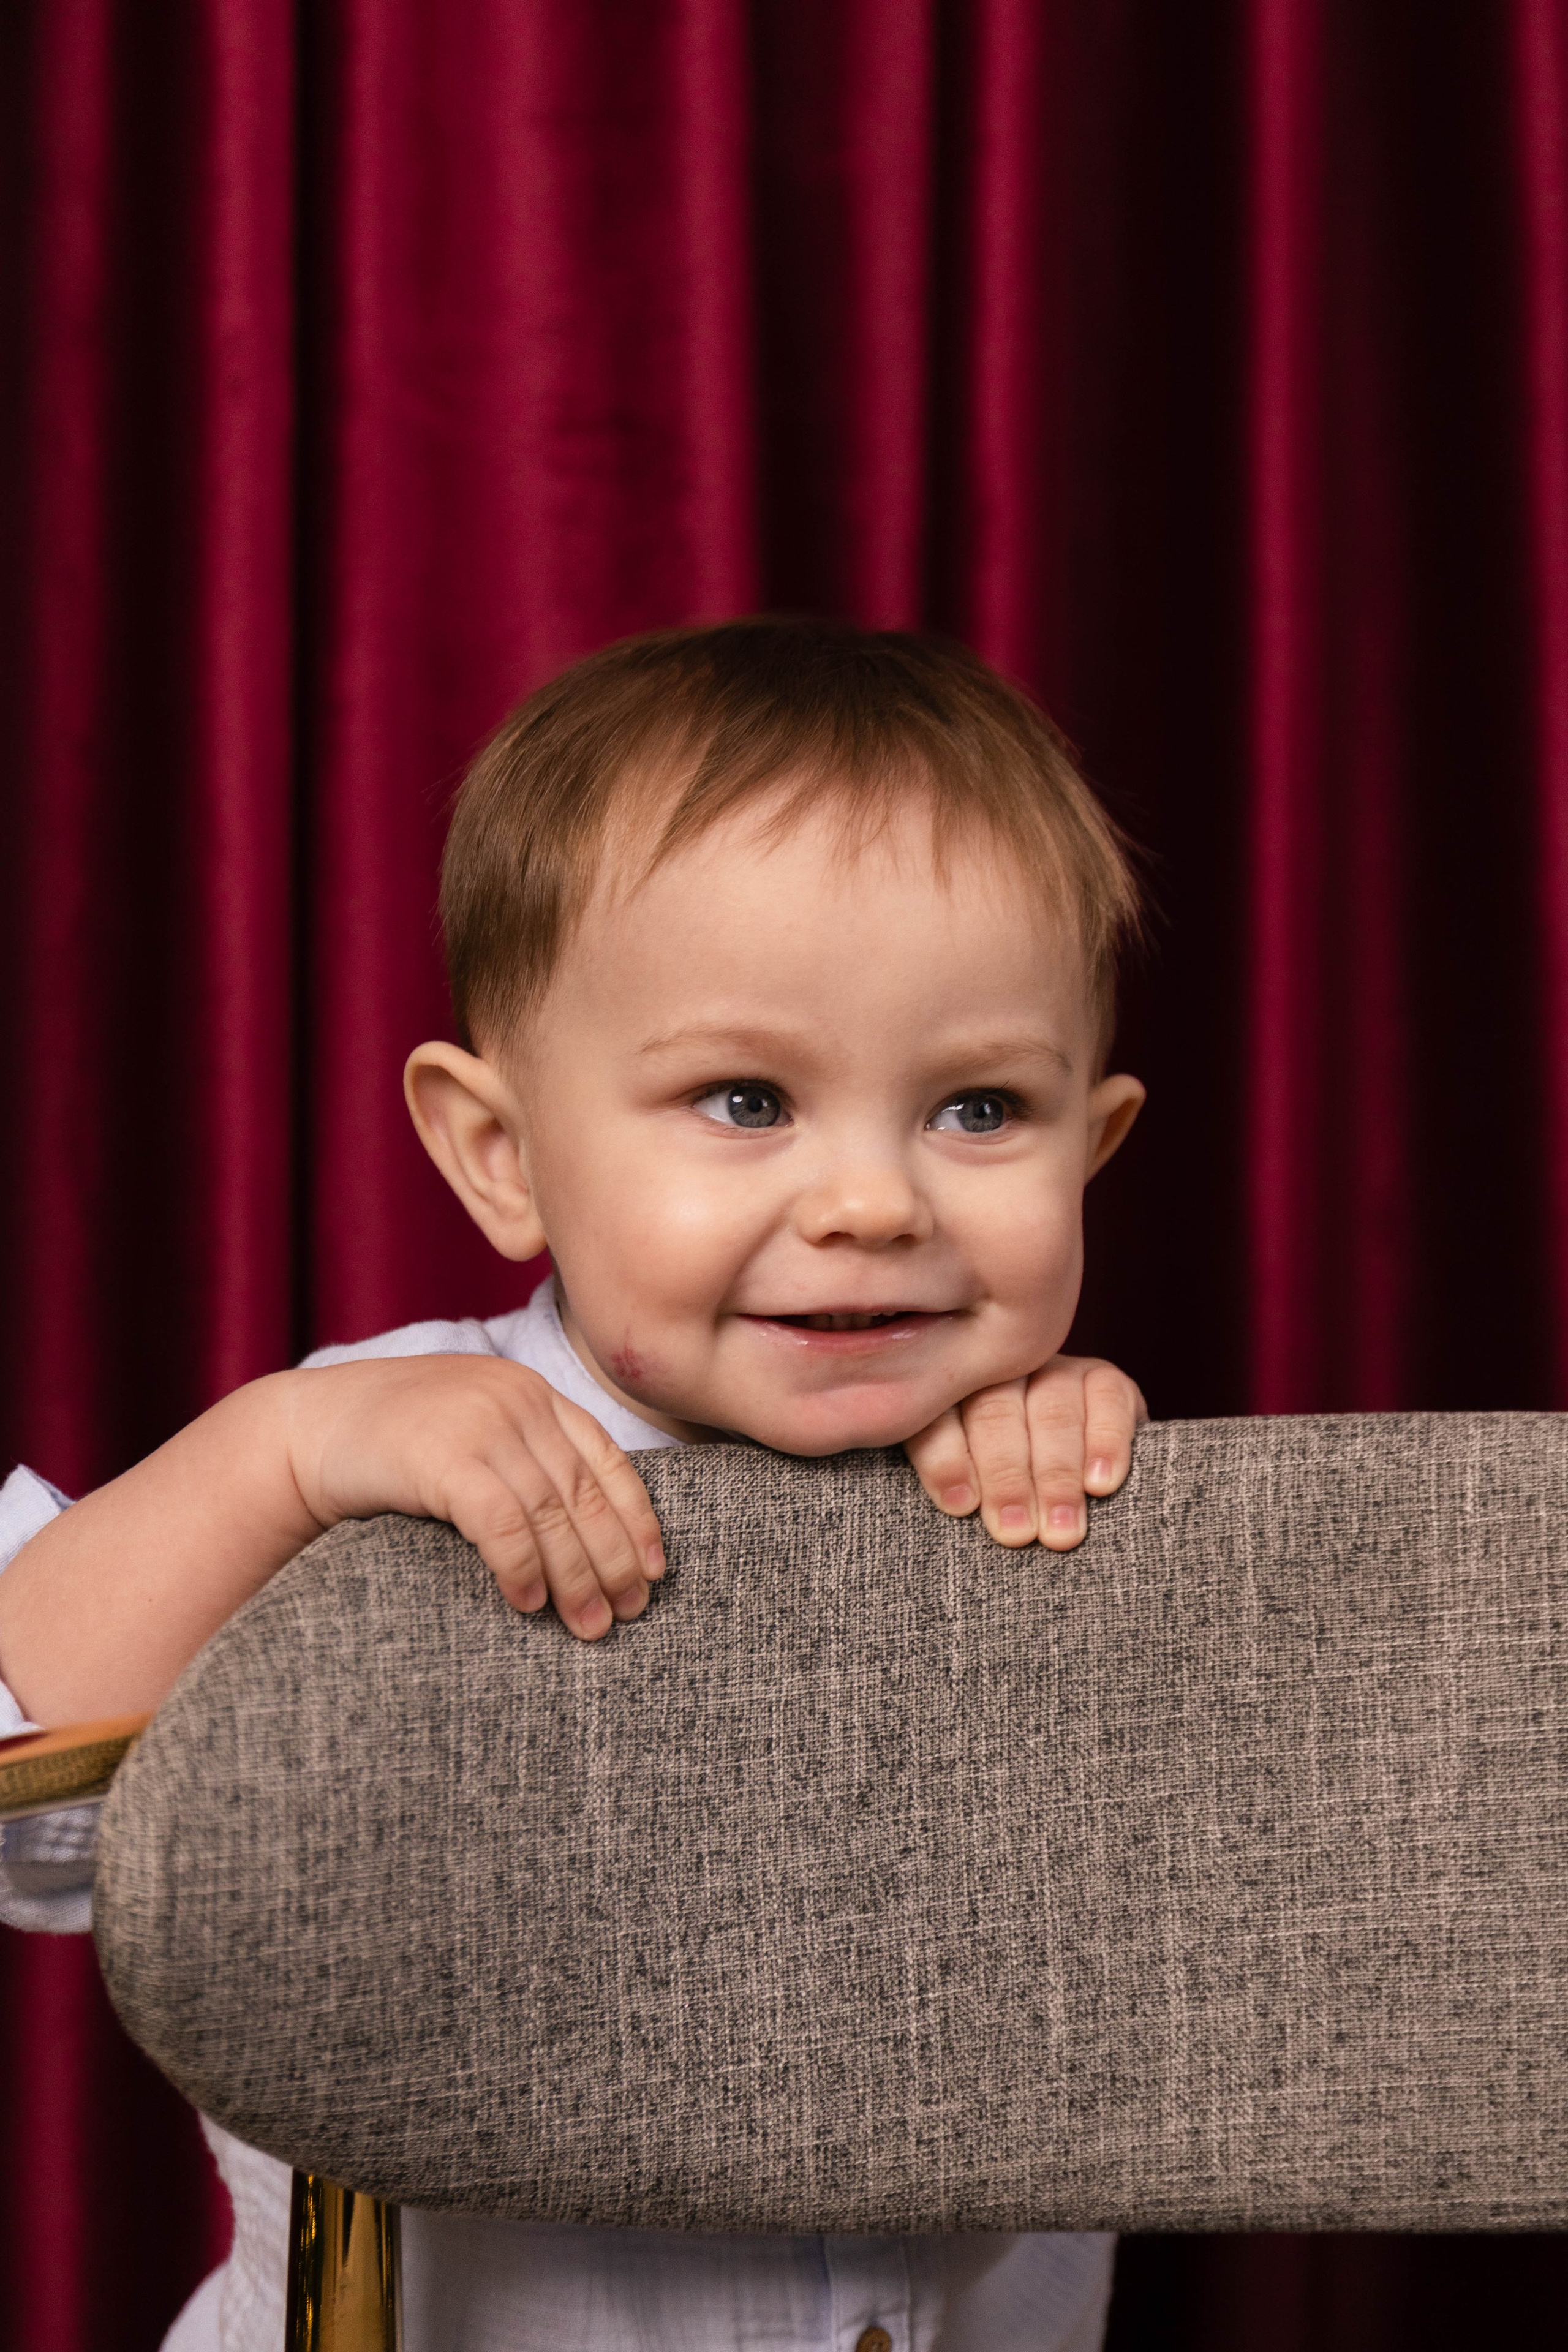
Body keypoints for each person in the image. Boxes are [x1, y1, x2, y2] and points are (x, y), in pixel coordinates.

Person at [0, 619, 1152, 2352]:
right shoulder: (380, 1453)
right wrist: (278, 1457)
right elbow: (23, 1800)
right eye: (747, 1098)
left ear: (1096, 1148)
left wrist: (1117, 1530)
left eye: (981, 1111)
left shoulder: (1059, 1482)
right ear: (501, 1153)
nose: (874, 1204)